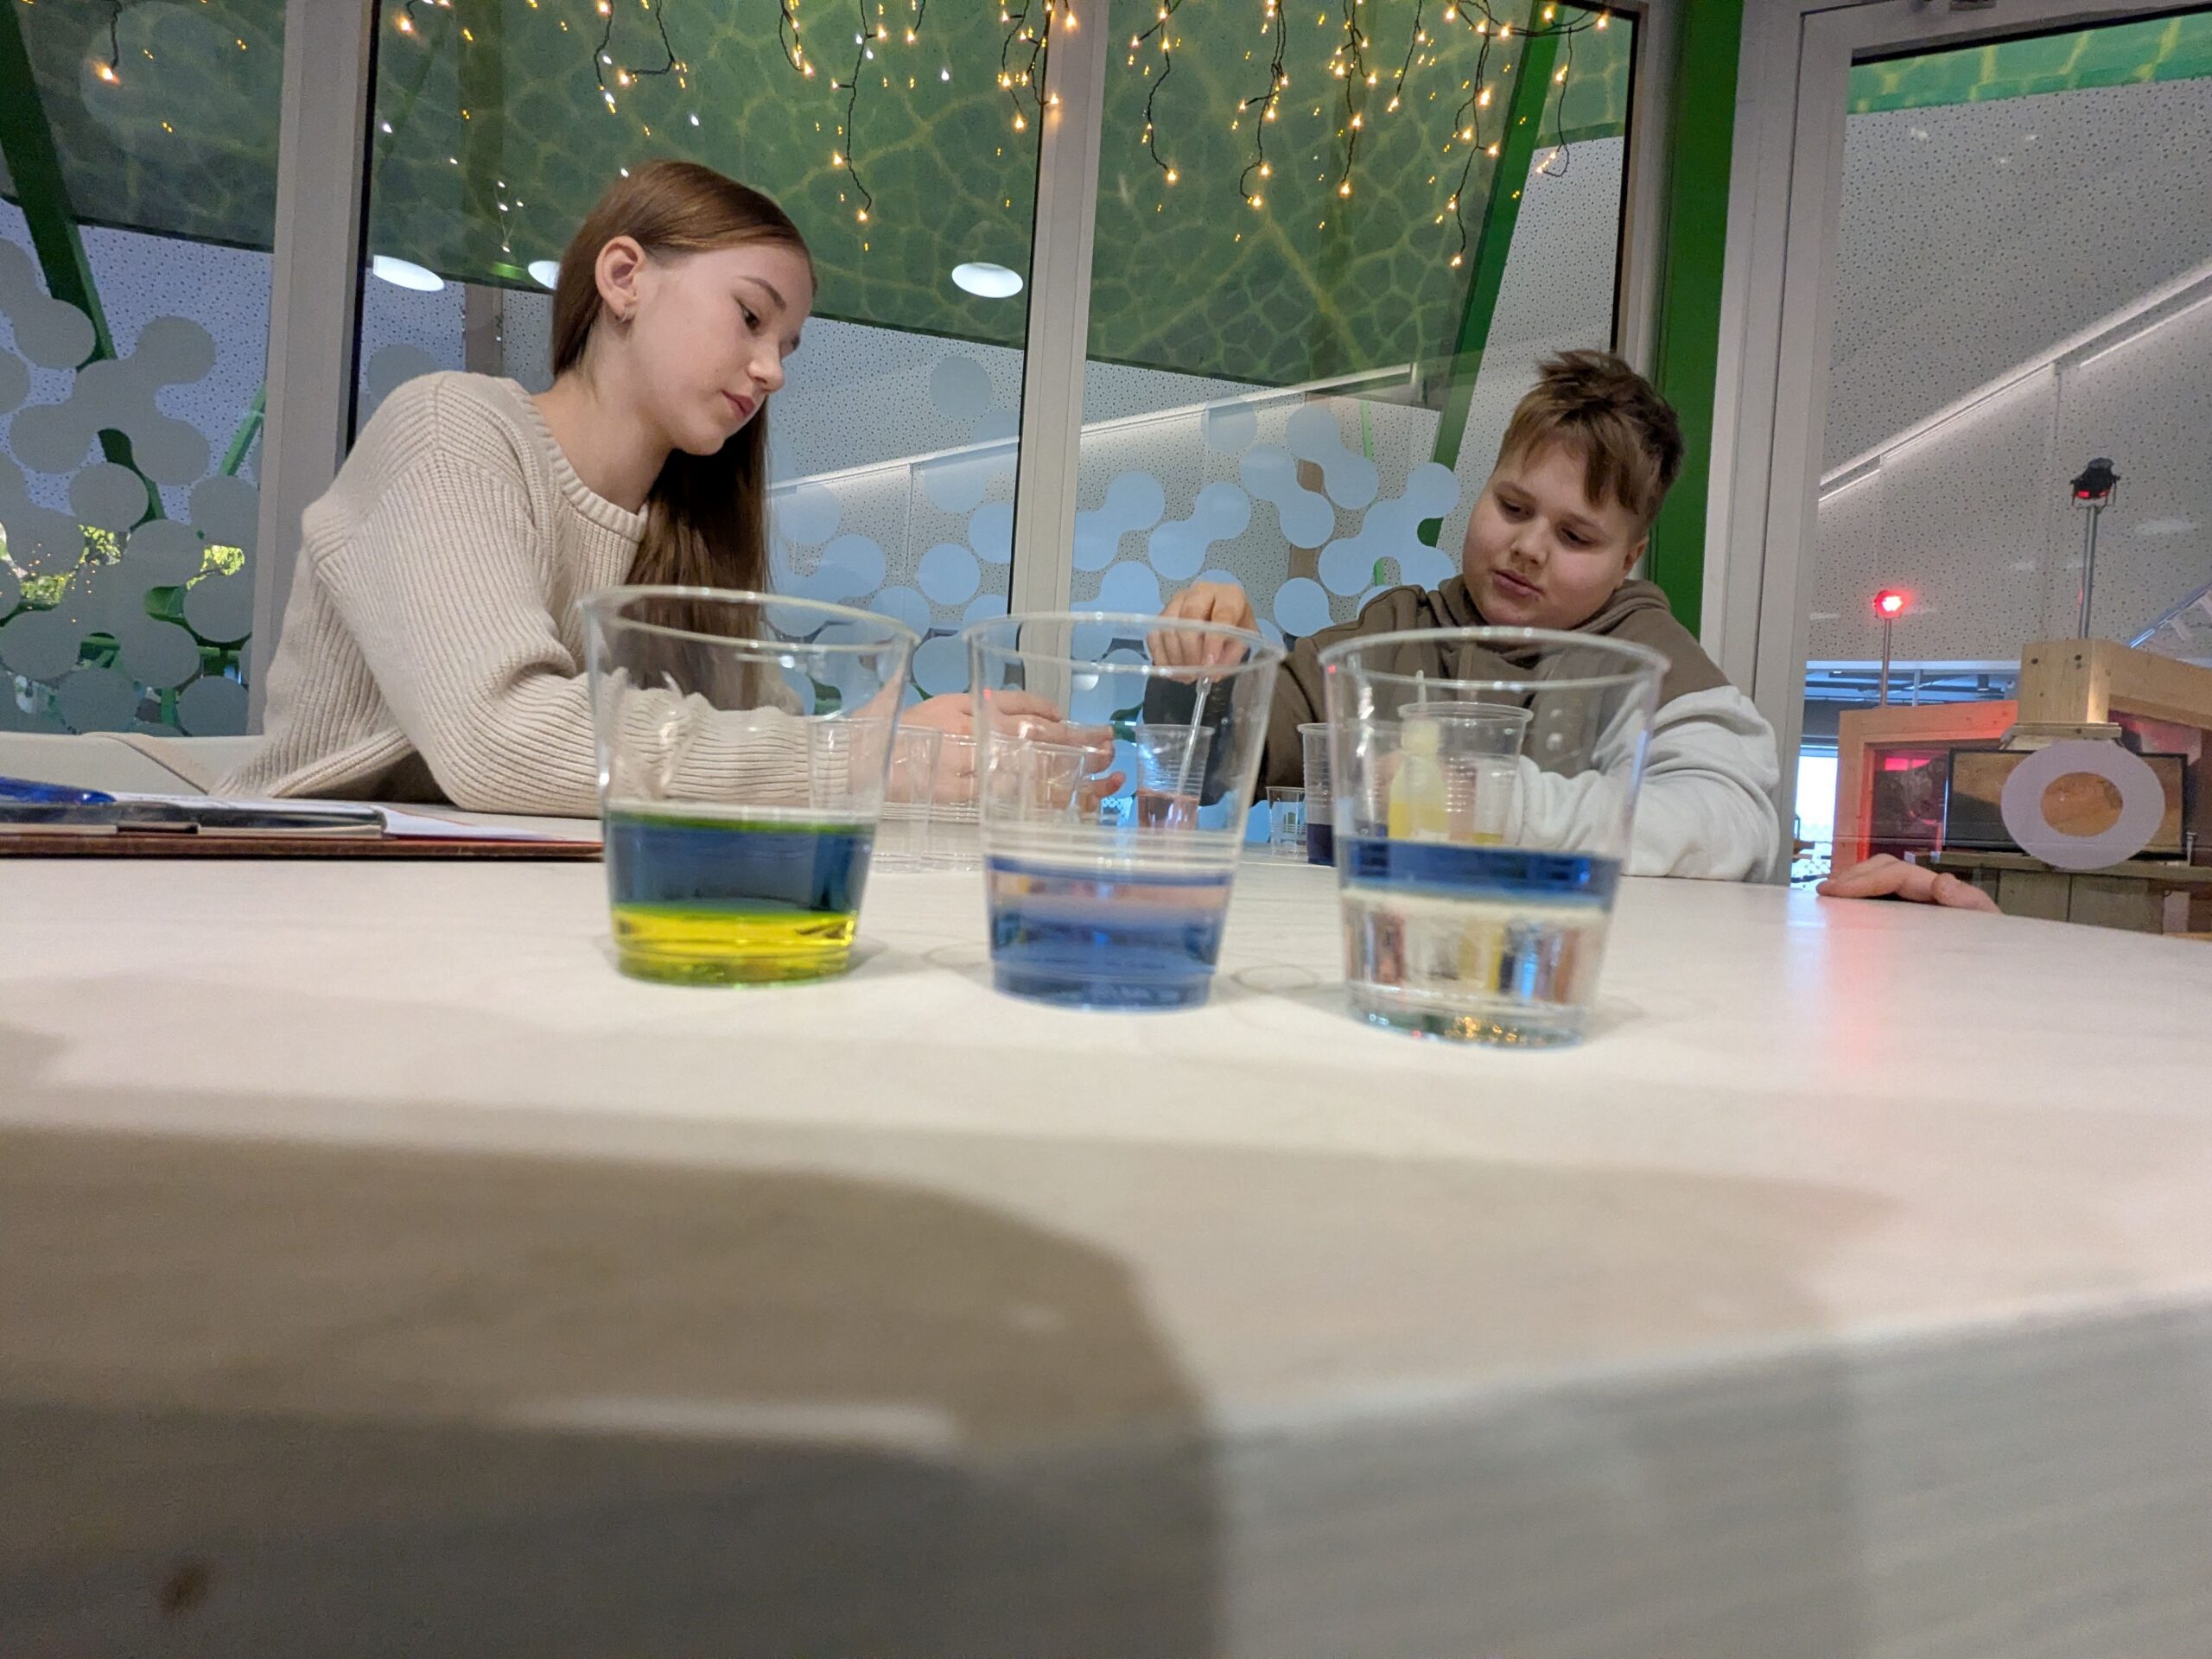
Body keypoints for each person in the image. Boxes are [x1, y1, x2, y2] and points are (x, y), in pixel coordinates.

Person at [223, 161, 1063, 813]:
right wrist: (861, 755)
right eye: (750, 316)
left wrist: (944, 766)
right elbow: (500, 741)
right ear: (624, 277)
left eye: (786, 346)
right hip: (289, 898)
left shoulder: (692, 526)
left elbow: (762, 750)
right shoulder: (451, 430)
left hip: (501, 917)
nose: (771, 370)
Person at [1156, 350, 1781, 880]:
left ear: (1627, 560)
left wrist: (1488, 803)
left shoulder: (1651, 659)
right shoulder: (1394, 635)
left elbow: (1730, 822)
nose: (1529, 548)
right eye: (1513, 508)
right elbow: (1208, 768)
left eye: (1575, 537)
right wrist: (1210, 672)